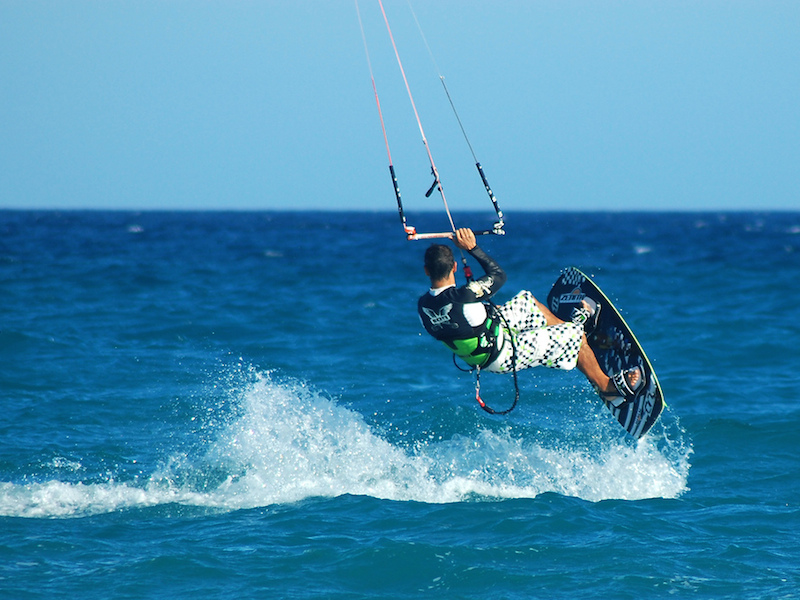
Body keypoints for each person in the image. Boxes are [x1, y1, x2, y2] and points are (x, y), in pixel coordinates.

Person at [417, 228, 642, 404]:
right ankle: (607, 388)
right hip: (501, 354)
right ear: (455, 267)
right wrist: (472, 248)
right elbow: (498, 276)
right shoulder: (464, 295)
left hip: (486, 337)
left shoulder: (422, 307)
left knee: (527, 302)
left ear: (427, 271)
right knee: (574, 336)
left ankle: (569, 336)